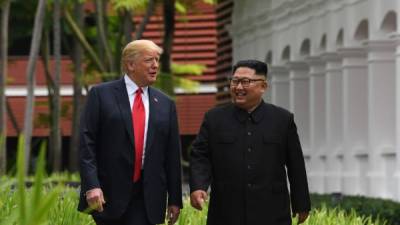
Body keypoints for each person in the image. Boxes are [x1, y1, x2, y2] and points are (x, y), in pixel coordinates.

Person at [189, 59, 311, 225]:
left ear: (263, 86)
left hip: (272, 213)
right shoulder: (214, 119)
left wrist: (301, 203)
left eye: (245, 82)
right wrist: (198, 186)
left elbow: (295, 164)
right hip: (226, 213)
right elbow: (200, 155)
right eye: (235, 81)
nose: (238, 87)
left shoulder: (282, 120)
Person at [78, 39, 183, 225]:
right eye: (149, 60)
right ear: (130, 64)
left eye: (157, 60)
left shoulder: (166, 104)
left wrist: (175, 199)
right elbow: (87, 144)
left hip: (148, 195)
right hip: (108, 194)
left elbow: (172, 154)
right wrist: (91, 185)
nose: (155, 65)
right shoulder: (101, 95)